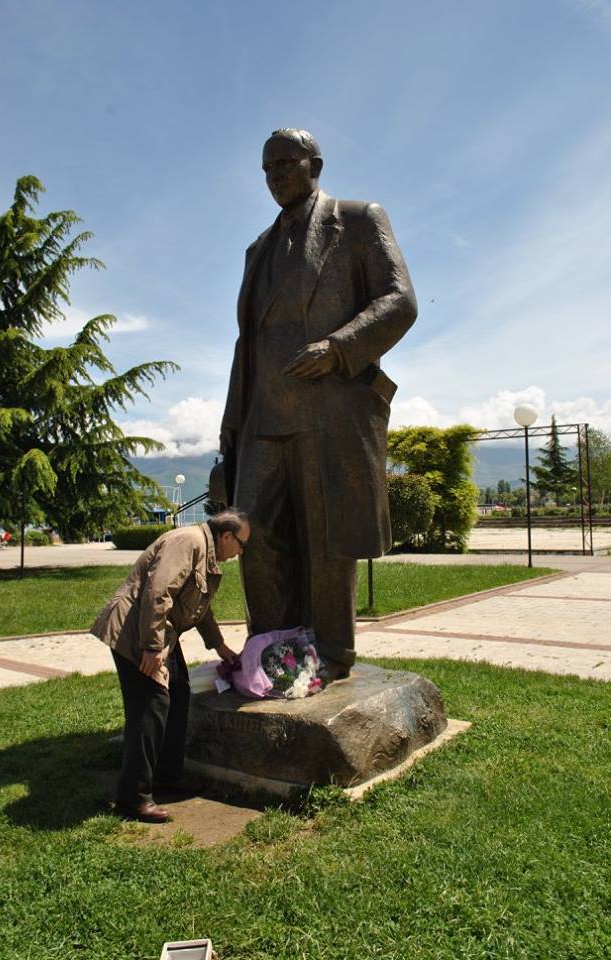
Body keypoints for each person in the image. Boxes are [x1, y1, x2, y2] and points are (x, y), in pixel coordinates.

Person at [221, 128, 417, 681]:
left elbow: (400, 301)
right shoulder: (257, 250)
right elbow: (247, 346)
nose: (276, 175)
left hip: (329, 410)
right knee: (252, 534)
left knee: (329, 540)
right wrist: (230, 428)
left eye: (286, 163)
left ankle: (332, 652)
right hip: (263, 415)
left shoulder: (357, 221)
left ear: (316, 164)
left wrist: (339, 347)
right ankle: (269, 651)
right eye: (267, 168)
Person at [91, 510, 249, 823]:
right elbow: (157, 592)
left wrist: (220, 647)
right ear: (227, 536)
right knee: (151, 706)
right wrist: (151, 647)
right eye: (242, 544)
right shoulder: (188, 541)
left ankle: (168, 776)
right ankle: (133, 798)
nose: (242, 552)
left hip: (159, 635)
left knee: (177, 693)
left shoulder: (205, 553)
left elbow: (200, 609)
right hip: (135, 633)